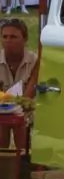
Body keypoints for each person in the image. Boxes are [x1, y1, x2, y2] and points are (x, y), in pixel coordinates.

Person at [0, 19, 37, 153]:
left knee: (22, 121)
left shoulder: (35, 61)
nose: (8, 41)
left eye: (13, 37)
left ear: (25, 39)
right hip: (2, 110)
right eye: (4, 37)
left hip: (27, 111)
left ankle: (23, 161)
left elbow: (29, 99)